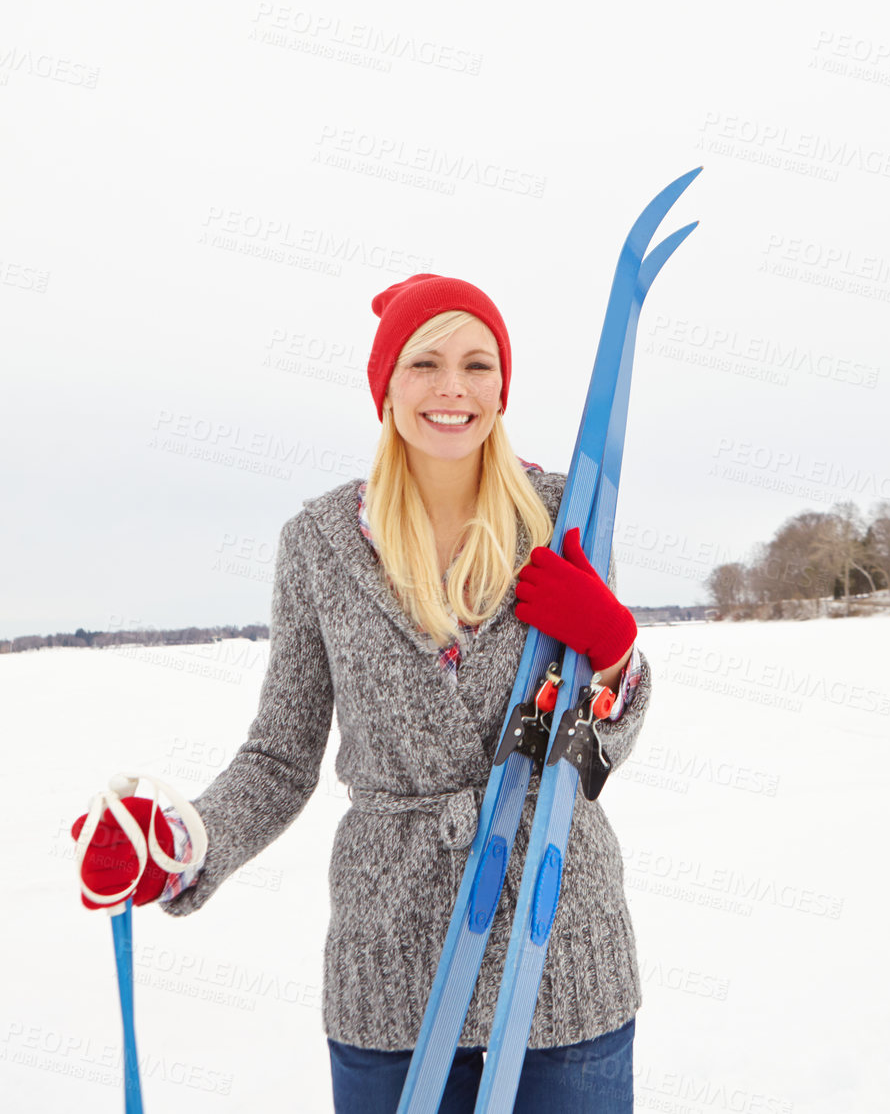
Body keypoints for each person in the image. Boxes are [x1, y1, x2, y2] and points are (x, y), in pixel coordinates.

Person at [73, 273, 651, 1113]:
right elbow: (279, 757)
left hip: (558, 952)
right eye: (425, 362)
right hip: (393, 973)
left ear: (502, 385)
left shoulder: (567, 515)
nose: (453, 388)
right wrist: (181, 841)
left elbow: (596, 738)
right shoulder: (319, 544)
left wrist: (615, 650)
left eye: (476, 364)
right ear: (387, 384)